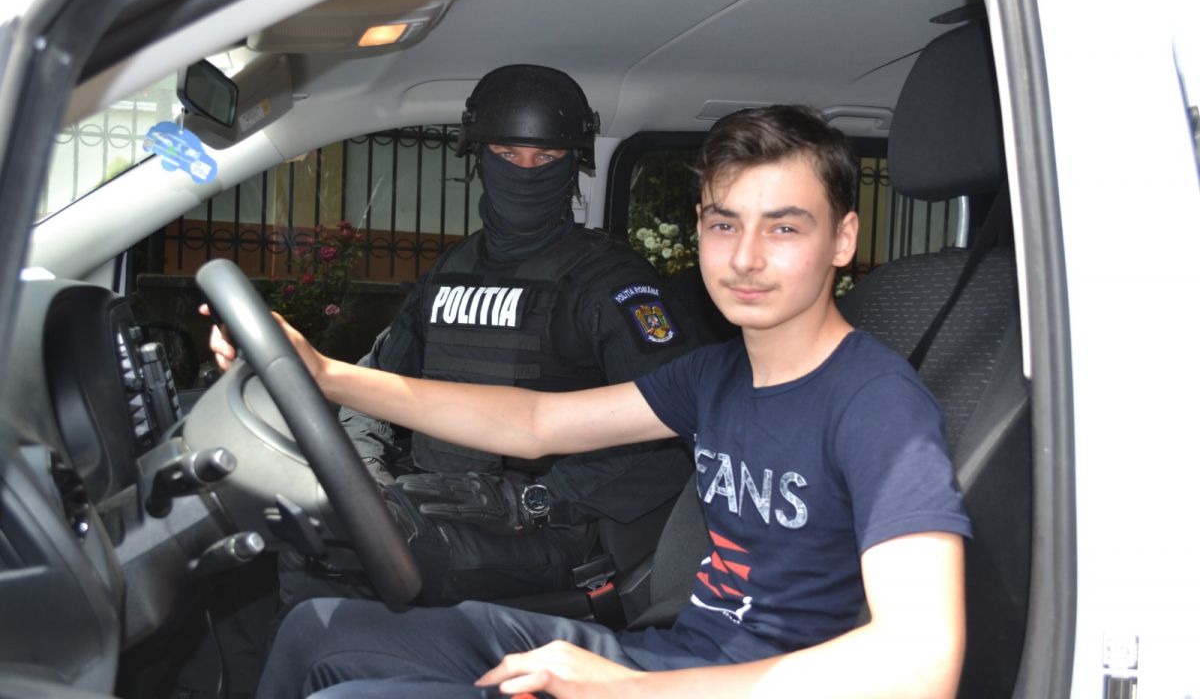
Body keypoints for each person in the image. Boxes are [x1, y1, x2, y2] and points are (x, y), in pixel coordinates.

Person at [229, 104, 971, 699]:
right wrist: (325, 374)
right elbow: (534, 422)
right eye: (724, 224)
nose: (746, 258)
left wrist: (629, 690)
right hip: (670, 655)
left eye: (783, 227)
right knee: (317, 631)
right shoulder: (715, 374)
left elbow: (920, 666)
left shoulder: (877, 405)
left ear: (843, 239)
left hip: (737, 684)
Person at [226, 64, 699, 608]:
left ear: (573, 164)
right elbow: (375, 384)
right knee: (304, 523)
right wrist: (367, 472)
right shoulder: (452, 268)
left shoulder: (609, 282)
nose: (526, 171)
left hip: (547, 525)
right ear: (479, 156)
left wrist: (541, 500)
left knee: (333, 554)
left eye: (546, 157)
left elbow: (672, 428)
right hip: (433, 495)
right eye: (507, 154)